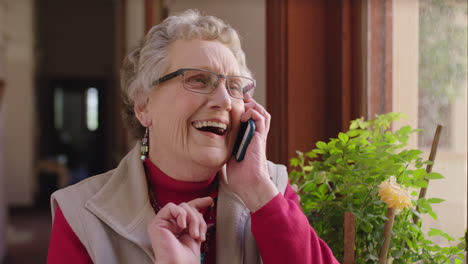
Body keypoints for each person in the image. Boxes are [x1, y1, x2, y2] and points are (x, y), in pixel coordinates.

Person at [47, 10, 339, 264]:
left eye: (235, 87)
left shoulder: (271, 188)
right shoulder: (81, 214)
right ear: (144, 106)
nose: (224, 100)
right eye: (199, 79)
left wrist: (259, 192)